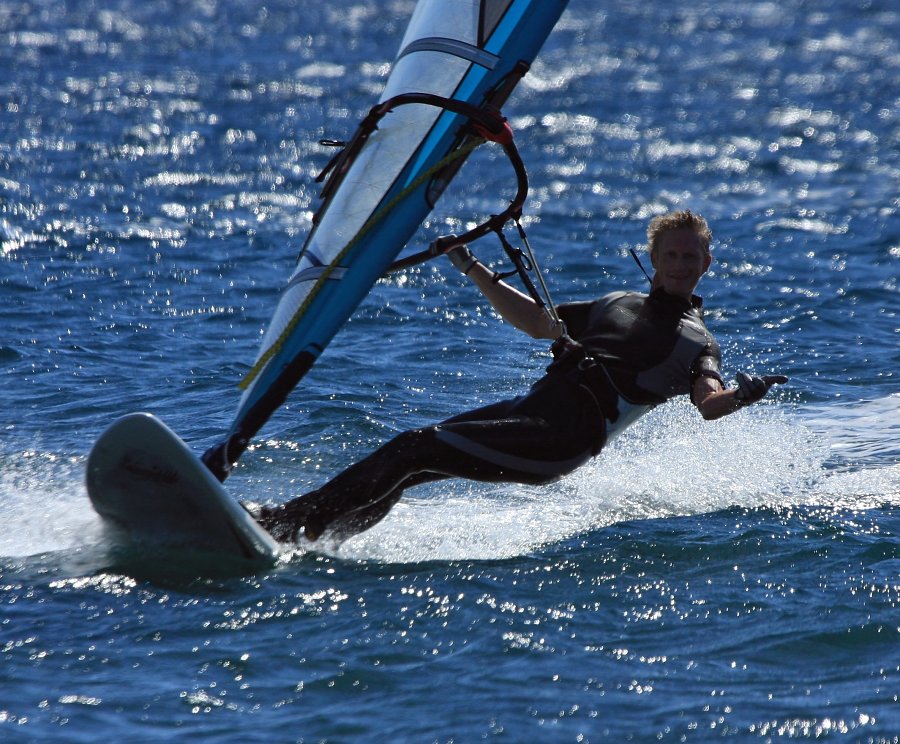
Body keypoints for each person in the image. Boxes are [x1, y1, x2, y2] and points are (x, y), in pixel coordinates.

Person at [255, 210, 787, 543]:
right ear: (652, 257)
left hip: (562, 439)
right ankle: (319, 536)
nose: (678, 263)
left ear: (706, 263)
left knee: (413, 447)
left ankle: (288, 522)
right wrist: (471, 266)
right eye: (669, 254)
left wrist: (746, 394)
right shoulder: (615, 302)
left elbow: (709, 402)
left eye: (689, 256)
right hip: (528, 411)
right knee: (413, 464)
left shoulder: (699, 341)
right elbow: (537, 321)